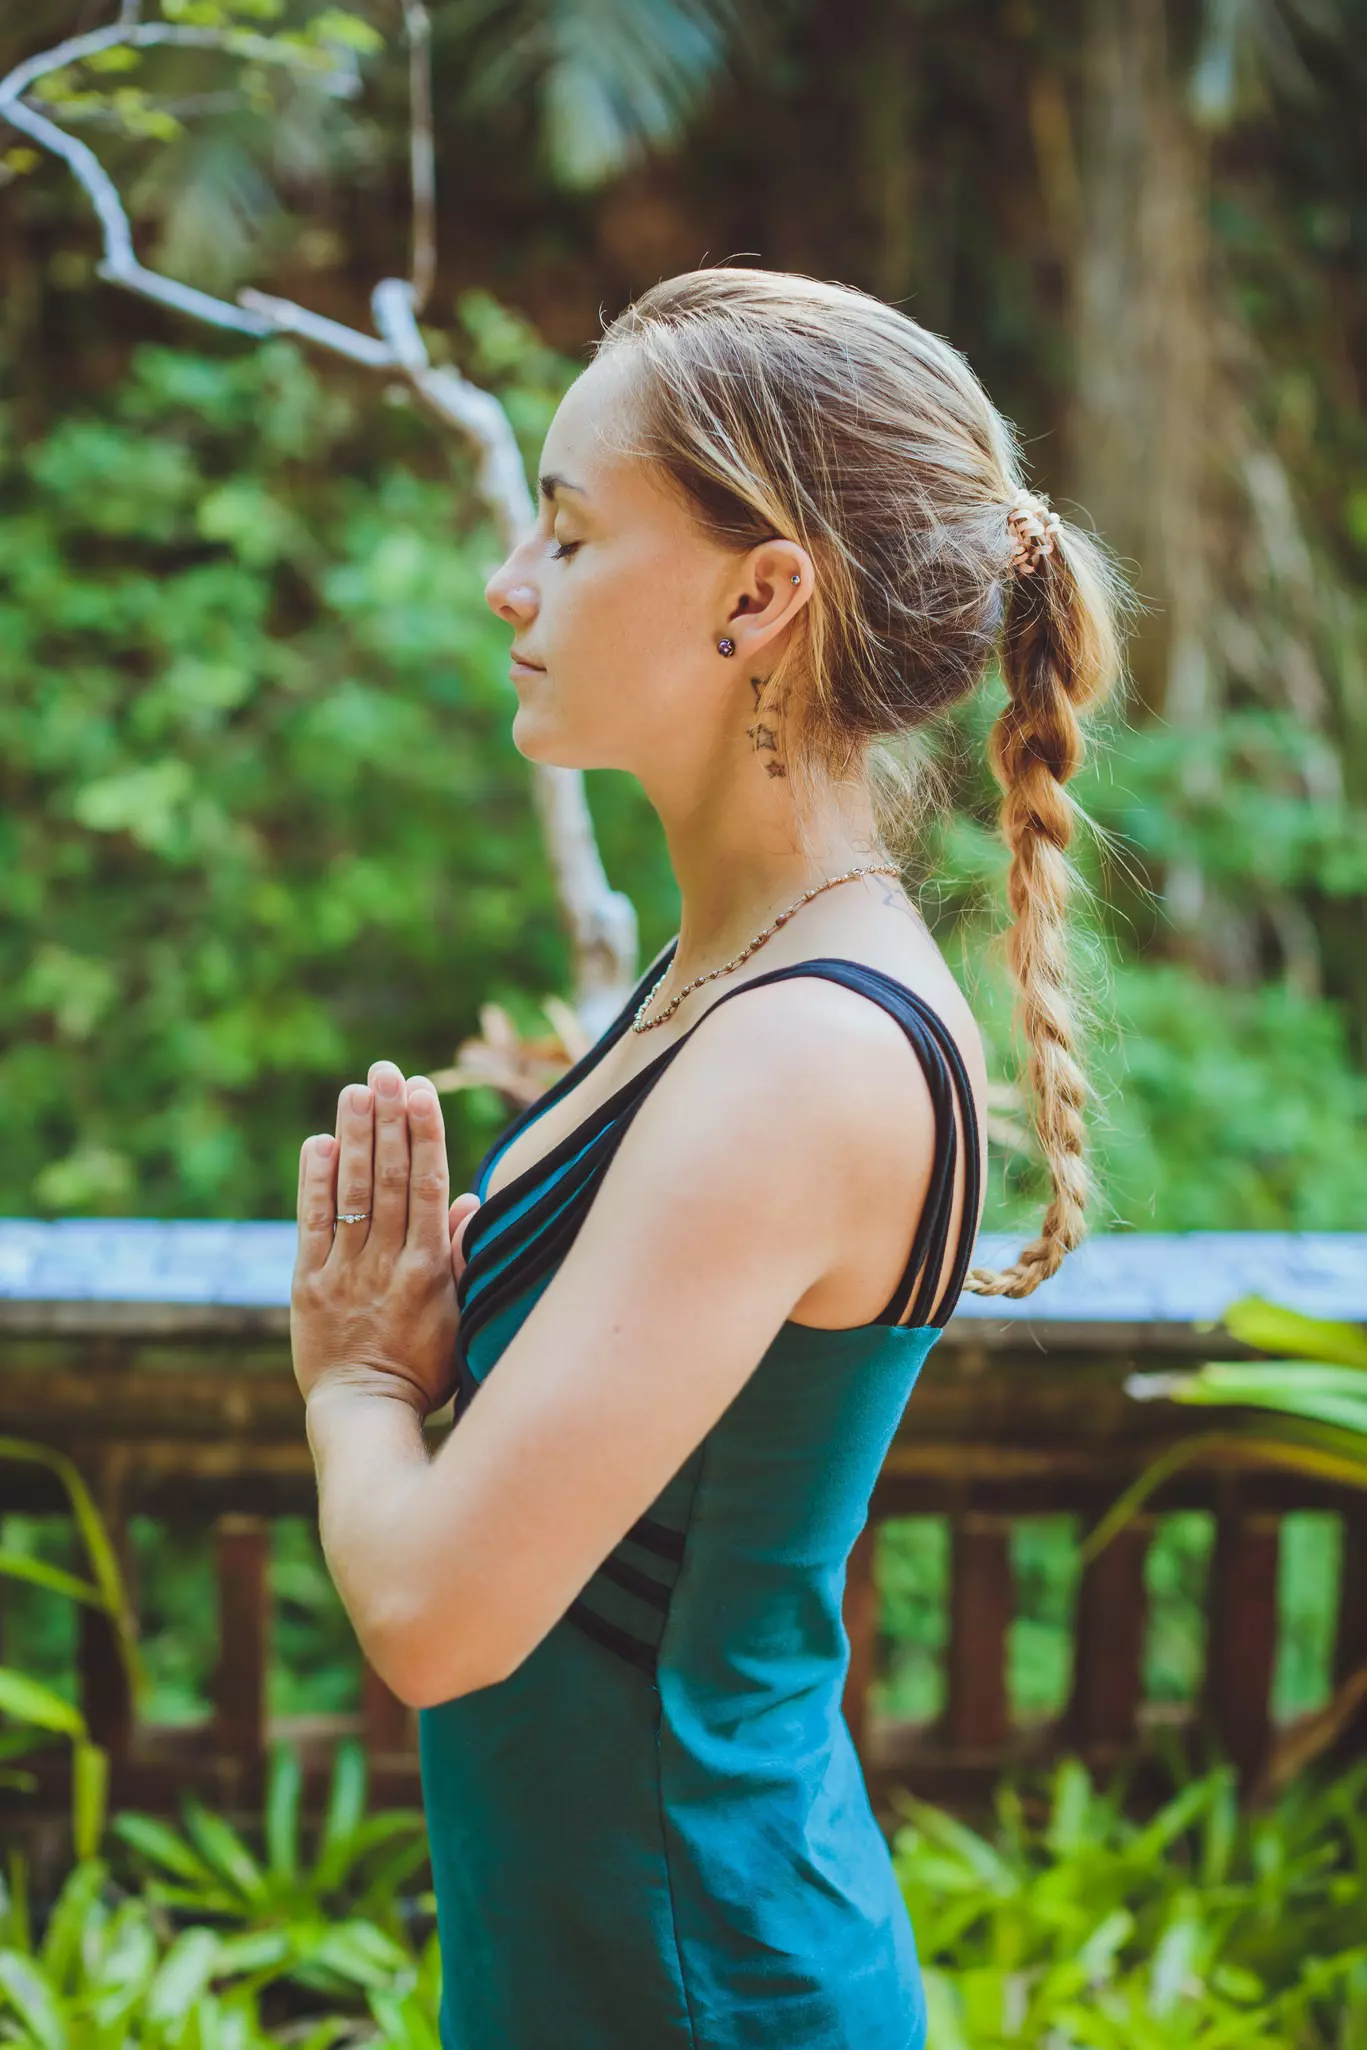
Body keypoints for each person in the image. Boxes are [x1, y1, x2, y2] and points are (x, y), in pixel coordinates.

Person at [290, 267, 1124, 2050]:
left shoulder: (806, 1050)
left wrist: (360, 1378)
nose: (510, 583)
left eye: (573, 535)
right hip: (598, 1959)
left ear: (760, 597)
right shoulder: (725, 967)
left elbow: (439, 1615)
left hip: (694, 1985)